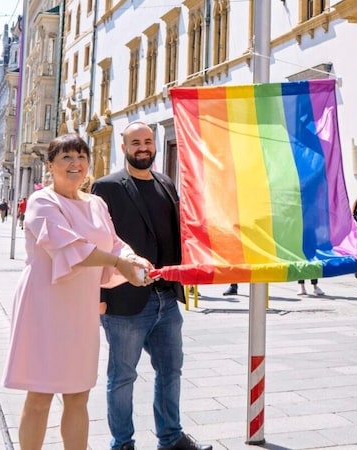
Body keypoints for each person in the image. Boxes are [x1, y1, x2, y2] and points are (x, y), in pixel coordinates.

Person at [2, 134, 151, 449]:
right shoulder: (43, 201)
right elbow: (70, 247)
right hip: (44, 307)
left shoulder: (96, 203)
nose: (75, 164)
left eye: (81, 156)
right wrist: (117, 262)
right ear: (51, 164)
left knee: (78, 393)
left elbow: (112, 243)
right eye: (66, 157)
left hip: (80, 311)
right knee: (40, 393)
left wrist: (131, 259)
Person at [91, 122, 212, 450]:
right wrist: (100, 296)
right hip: (125, 301)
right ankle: (122, 443)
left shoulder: (166, 183)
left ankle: (171, 438)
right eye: (136, 143)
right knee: (123, 378)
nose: (143, 147)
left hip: (165, 299)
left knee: (171, 371)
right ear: (124, 146)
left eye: (147, 141)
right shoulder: (107, 187)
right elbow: (99, 243)